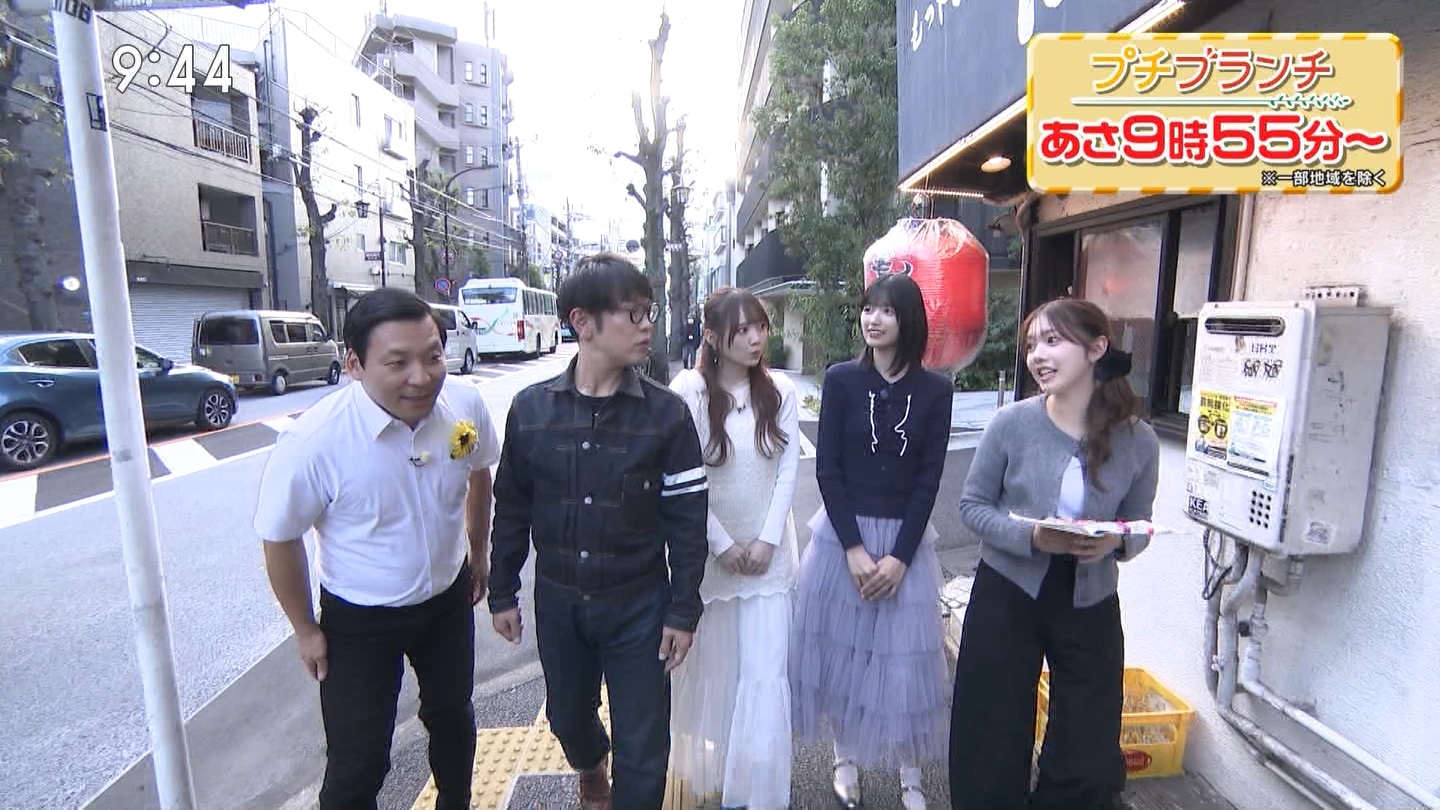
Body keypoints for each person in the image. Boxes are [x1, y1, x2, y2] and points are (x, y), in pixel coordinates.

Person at [253, 288, 500, 810]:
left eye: (432, 356)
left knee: (453, 718)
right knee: (359, 761)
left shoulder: (464, 405)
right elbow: (280, 537)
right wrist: (305, 629)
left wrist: (478, 552)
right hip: (359, 620)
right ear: (354, 365)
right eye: (397, 362)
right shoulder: (315, 442)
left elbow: (478, 472)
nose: (422, 376)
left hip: (447, 600)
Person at [487, 252, 710, 810]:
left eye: (649, 312)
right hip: (560, 599)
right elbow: (511, 506)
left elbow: (688, 521)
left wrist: (683, 609)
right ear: (582, 322)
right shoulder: (530, 410)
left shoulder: (667, 416)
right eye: (632, 314)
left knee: (645, 746)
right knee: (566, 717)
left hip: (640, 602)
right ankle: (590, 763)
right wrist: (502, 590)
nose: (647, 325)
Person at [948, 297, 1160, 810]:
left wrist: (1115, 541)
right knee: (991, 726)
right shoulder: (1011, 424)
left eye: (1052, 341)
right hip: (1008, 590)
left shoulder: (1140, 440)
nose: (1037, 356)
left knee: (1089, 736)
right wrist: (1032, 538)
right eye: (1031, 345)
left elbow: (1139, 524)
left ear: (1096, 348)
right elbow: (972, 507)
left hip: (1090, 596)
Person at [791, 272, 953, 810]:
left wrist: (900, 558)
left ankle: (911, 775)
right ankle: (845, 759)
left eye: (886, 310)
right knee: (844, 653)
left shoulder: (936, 390)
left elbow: (929, 479)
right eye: (867, 308)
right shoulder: (841, 380)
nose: (873, 319)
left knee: (903, 661)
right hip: (843, 541)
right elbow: (828, 469)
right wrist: (855, 550)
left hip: (905, 545)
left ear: (909, 321)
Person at [668, 287, 800, 810]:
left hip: (769, 561)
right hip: (712, 562)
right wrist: (720, 543)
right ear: (712, 336)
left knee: (765, 674)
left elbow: (788, 469)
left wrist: (768, 540)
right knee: (719, 676)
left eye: (760, 327)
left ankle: (760, 794)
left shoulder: (780, 390)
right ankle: (729, 780)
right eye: (741, 329)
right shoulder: (690, 391)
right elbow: (684, 479)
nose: (754, 339)